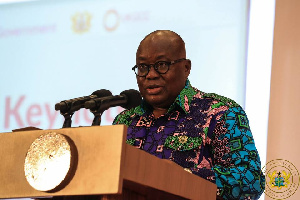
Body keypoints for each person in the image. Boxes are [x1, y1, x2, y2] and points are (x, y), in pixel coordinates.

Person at [113, 30, 265, 200]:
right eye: (143, 67)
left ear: (186, 68)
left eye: (162, 65)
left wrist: (183, 177)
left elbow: (251, 181)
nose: (151, 74)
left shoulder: (221, 113)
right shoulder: (125, 120)